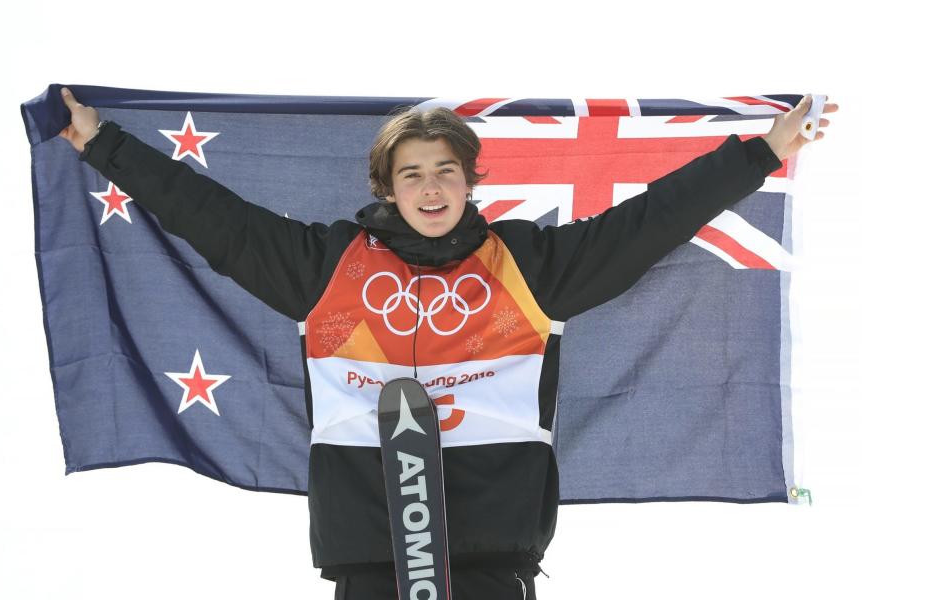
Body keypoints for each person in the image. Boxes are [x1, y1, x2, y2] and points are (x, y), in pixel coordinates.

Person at [58, 87, 837, 600]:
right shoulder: (325, 267)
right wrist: (102, 144)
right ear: (385, 188)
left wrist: (761, 152)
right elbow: (212, 216)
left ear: (469, 182)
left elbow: (648, 222)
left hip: (491, 553)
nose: (430, 189)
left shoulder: (528, 268)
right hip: (367, 551)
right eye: (412, 175)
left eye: (444, 172)